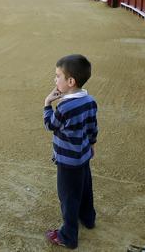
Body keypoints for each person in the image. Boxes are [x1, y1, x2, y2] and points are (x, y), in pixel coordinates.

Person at [43, 54, 98, 250]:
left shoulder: (64, 107)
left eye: (58, 76)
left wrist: (48, 103)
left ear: (70, 81)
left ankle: (68, 236)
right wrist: (91, 144)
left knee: (68, 197)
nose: (55, 79)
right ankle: (88, 218)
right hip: (83, 156)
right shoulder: (90, 100)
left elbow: (50, 125)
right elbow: (92, 127)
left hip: (67, 162)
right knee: (84, 189)